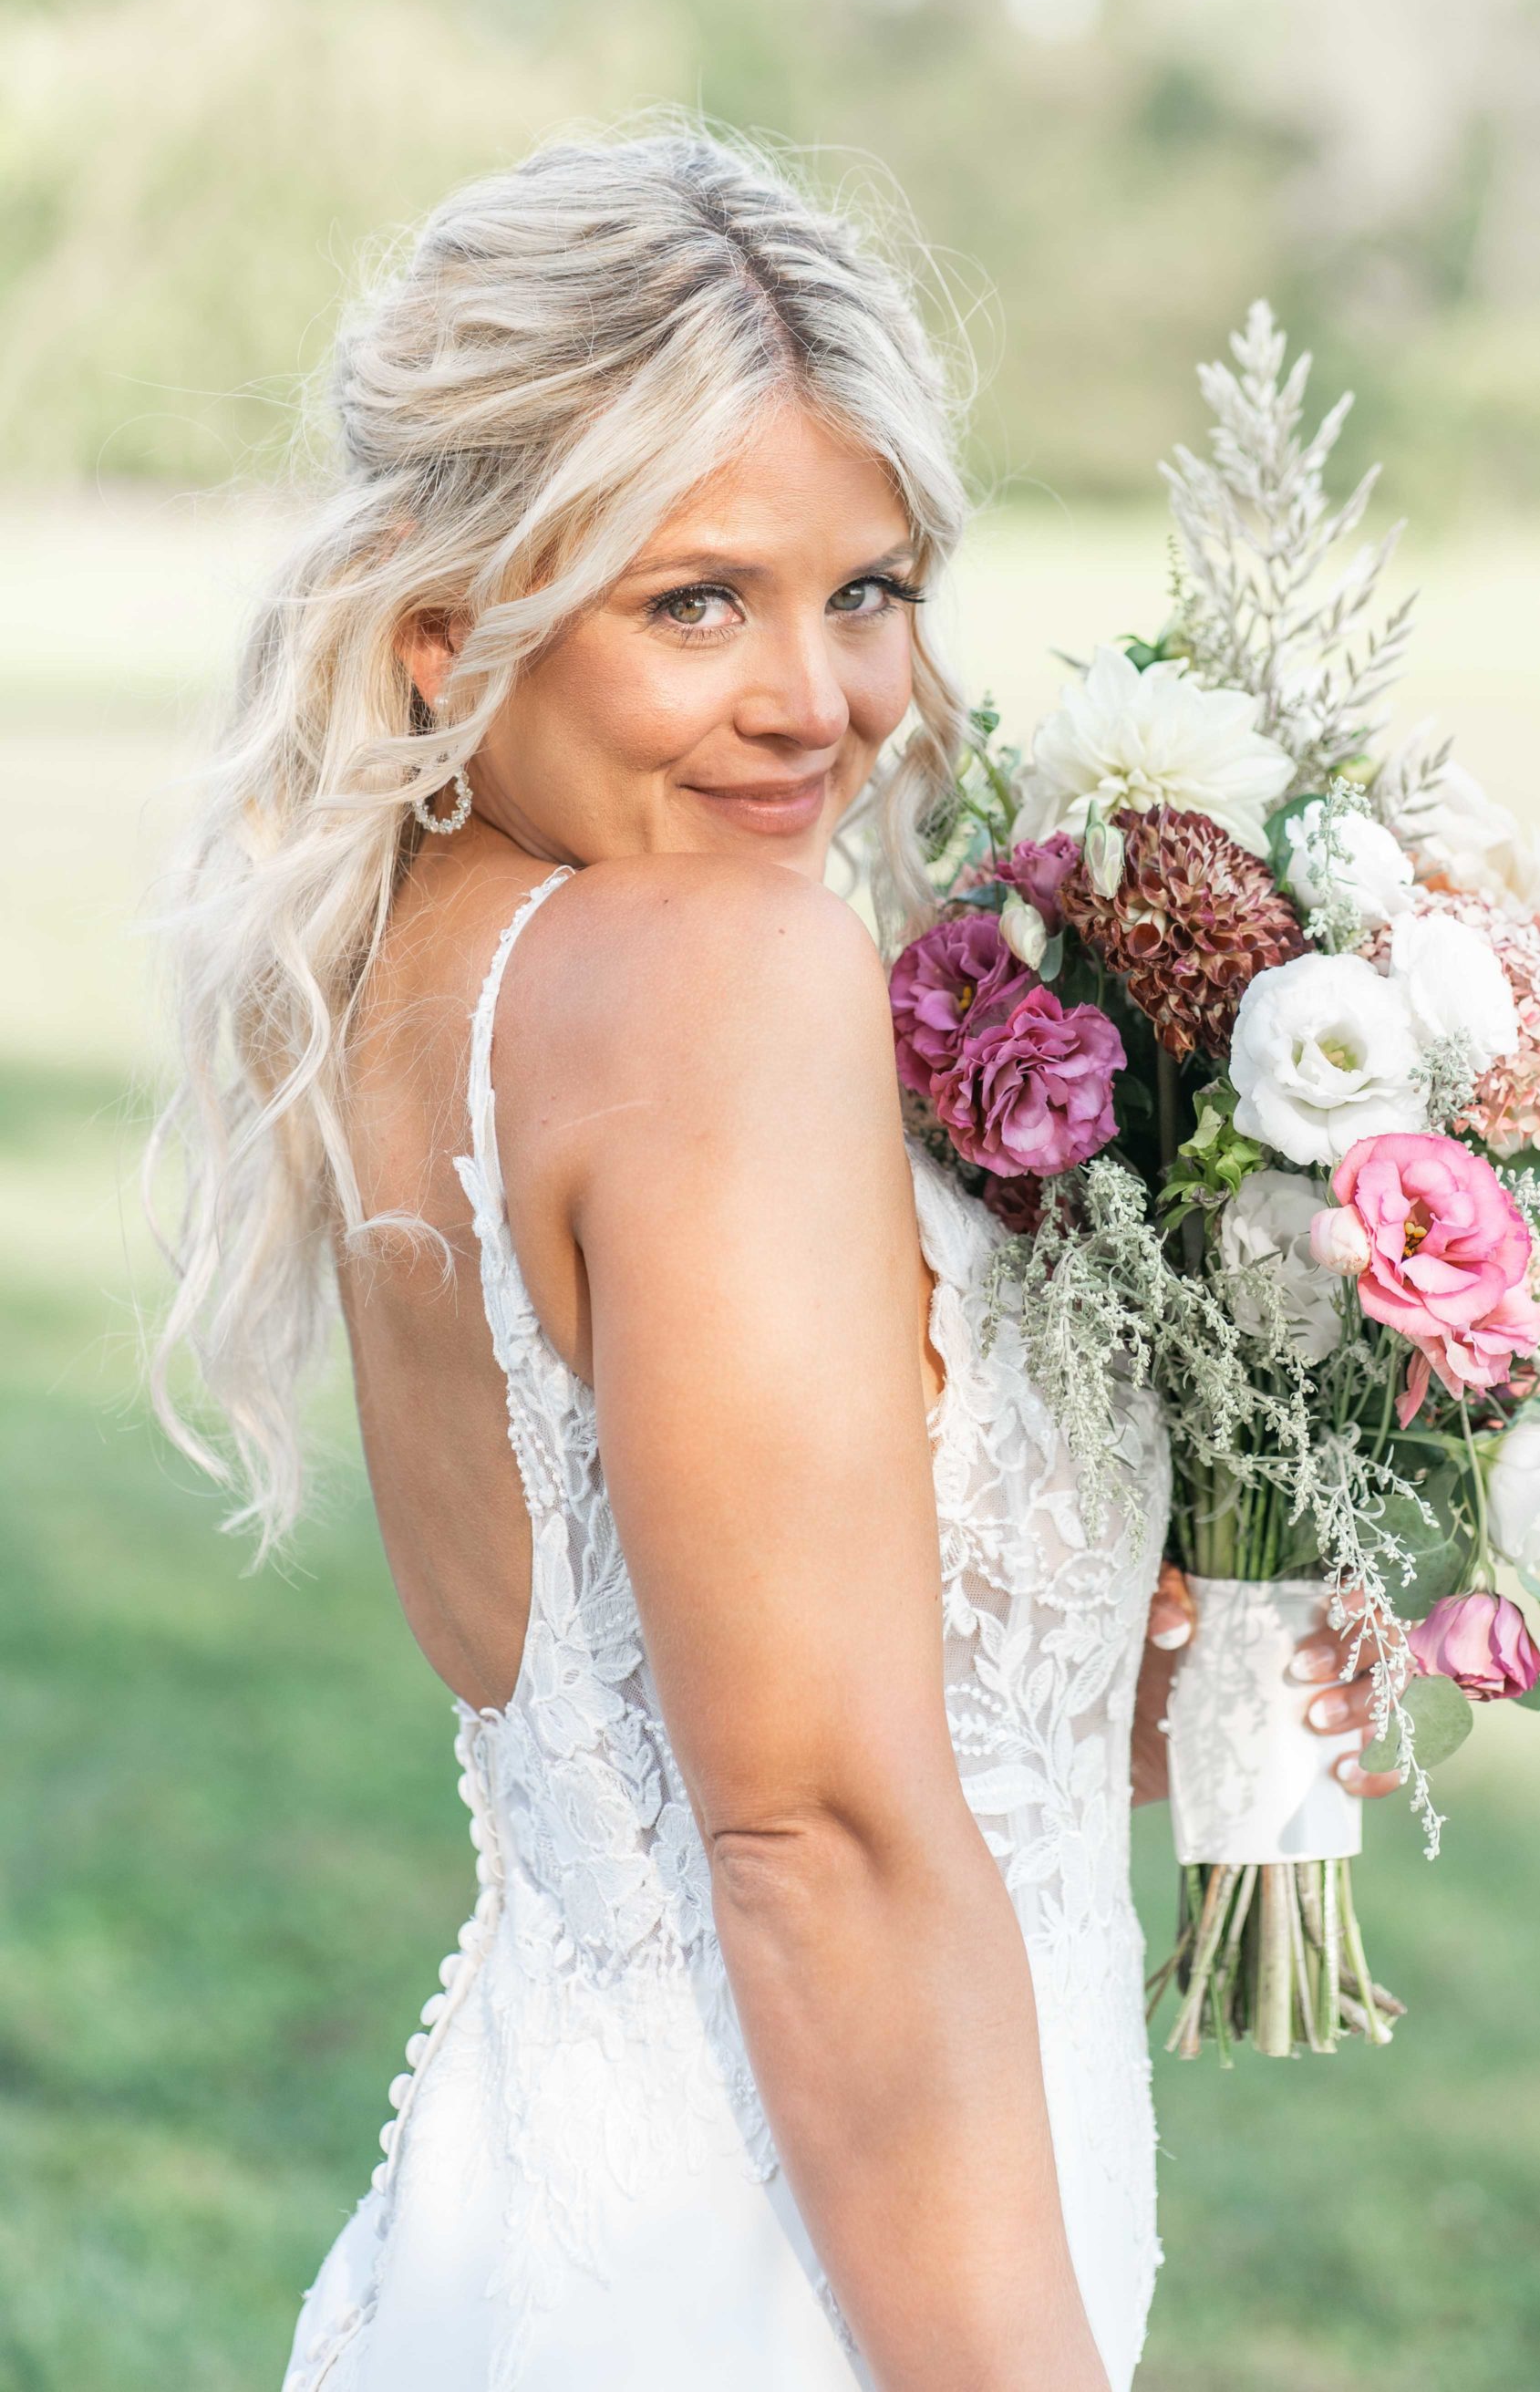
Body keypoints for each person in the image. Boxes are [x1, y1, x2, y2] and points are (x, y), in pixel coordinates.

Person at [152, 123, 1390, 2392]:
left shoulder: (439, 978)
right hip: (783, 2285)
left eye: (868, 588)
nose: (819, 702)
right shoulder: (711, 978)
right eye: (694, 602)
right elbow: (807, 1830)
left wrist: (1179, 1644)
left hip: (575, 2226)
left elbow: (708, 1719)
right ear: (447, 634)